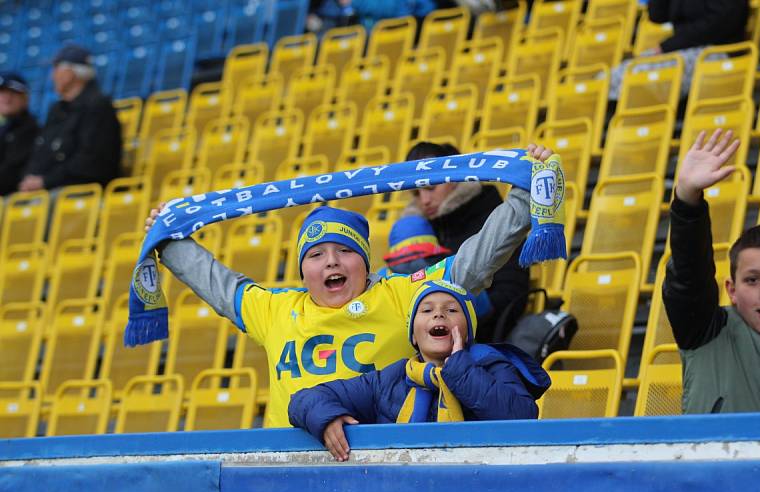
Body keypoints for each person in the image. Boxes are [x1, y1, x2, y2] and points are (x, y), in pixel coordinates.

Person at [145, 144, 557, 427]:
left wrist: (526, 191)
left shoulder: (403, 294)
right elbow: (213, 280)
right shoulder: (273, 309)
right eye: (315, 255)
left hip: (378, 464)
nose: (331, 263)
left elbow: (480, 256)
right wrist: (166, 238)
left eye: (343, 252)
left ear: (365, 263)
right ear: (302, 272)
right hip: (284, 466)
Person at [289, 279, 550, 461]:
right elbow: (303, 398)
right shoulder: (389, 380)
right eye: (426, 310)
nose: (439, 315)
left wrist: (459, 369)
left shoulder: (491, 364)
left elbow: (521, 417)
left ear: (468, 331)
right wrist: (326, 419)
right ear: (413, 336)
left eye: (451, 310)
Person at [664, 128, 760, 414]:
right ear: (732, 290)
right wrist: (688, 199)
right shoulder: (706, 329)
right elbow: (689, 276)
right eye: (752, 280)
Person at [404, 141, 530, 342]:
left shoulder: (493, 216)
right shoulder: (416, 229)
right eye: (416, 193)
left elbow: (511, 293)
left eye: (430, 188)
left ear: (454, 179)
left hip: (488, 338)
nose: (424, 200)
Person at [18, 44, 121, 192]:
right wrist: (29, 179)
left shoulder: (98, 106)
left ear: (69, 73)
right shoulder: (57, 109)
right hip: (49, 188)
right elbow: (41, 152)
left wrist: (45, 181)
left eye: (56, 69)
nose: (52, 76)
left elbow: (92, 162)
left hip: (81, 190)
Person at [609, 0, 749, 99]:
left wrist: (668, 46)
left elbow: (721, 22)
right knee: (614, 75)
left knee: (638, 75)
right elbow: (657, 15)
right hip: (681, 47)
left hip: (719, 50)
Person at [0, 72, 39, 196]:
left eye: (13, 93)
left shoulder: (29, 129)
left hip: (13, 199)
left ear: (25, 98)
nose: (7, 98)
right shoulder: (4, 127)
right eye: (2, 93)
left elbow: (11, 172)